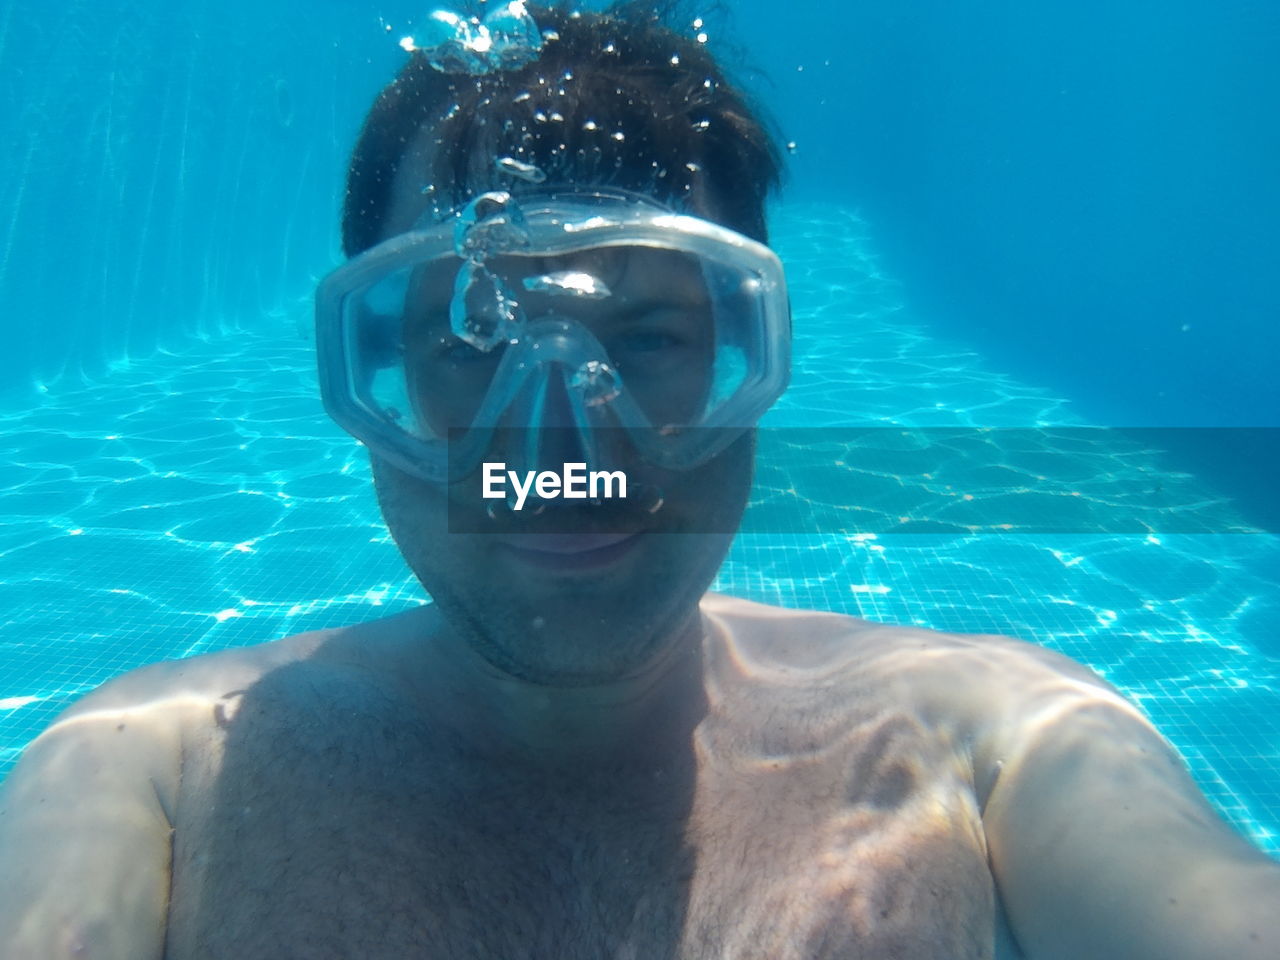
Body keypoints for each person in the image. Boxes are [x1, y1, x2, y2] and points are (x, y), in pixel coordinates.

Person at [1, 3, 1277, 958]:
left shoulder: (989, 741)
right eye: (470, 341)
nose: (560, 448)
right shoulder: (149, 770)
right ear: (369, 372)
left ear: (752, 355)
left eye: (652, 341)